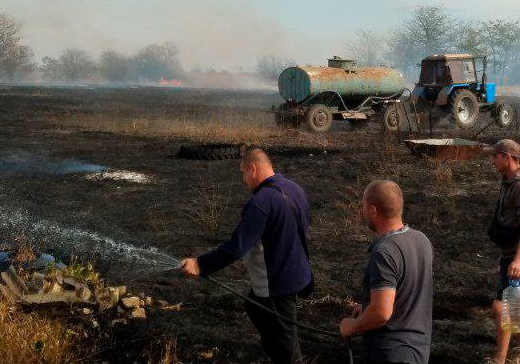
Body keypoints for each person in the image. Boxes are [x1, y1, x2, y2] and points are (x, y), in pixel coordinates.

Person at [180, 148, 312, 364]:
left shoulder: (261, 203)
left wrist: (200, 264)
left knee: (287, 345)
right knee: (254, 306)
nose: (243, 179)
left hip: (278, 284)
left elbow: (236, 247)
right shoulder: (294, 188)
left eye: (243, 173)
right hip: (298, 272)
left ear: (253, 169)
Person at [339, 180, 433, 364]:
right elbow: (407, 289)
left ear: (373, 211)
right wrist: (368, 305)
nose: (363, 211)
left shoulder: (385, 251)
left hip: (392, 352)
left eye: (364, 206)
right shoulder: (421, 240)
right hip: (418, 350)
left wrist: (352, 326)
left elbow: (381, 312)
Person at [484, 139, 520, 364]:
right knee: (519, 304)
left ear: (507, 157)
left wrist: (517, 260)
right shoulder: (508, 181)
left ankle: (500, 358)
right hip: (511, 254)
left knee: (501, 307)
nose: (492, 160)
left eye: (495, 156)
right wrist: (505, 256)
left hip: (519, 255)